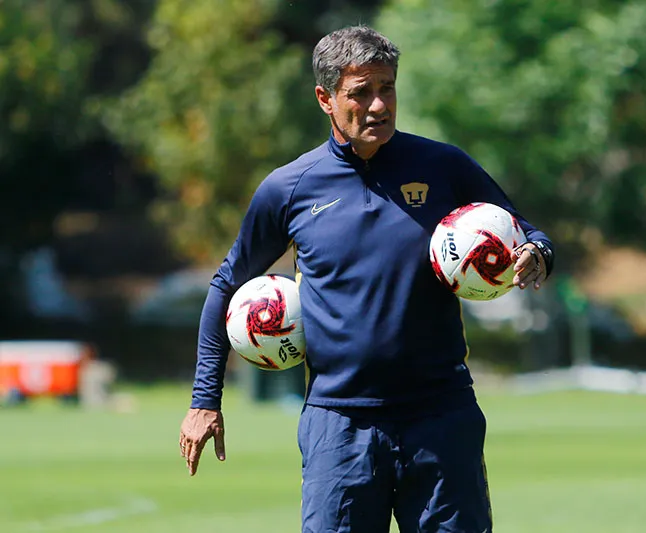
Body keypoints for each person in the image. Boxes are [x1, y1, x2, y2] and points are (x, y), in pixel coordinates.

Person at [179, 24, 554, 533]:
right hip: (340, 424)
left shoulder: (443, 166)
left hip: (441, 416)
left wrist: (536, 252)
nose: (378, 106)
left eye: (387, 88)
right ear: (325, 99)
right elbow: (225, 284)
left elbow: (526, 231)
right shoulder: (289, 189)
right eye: (361, 93)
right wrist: (205, 401)